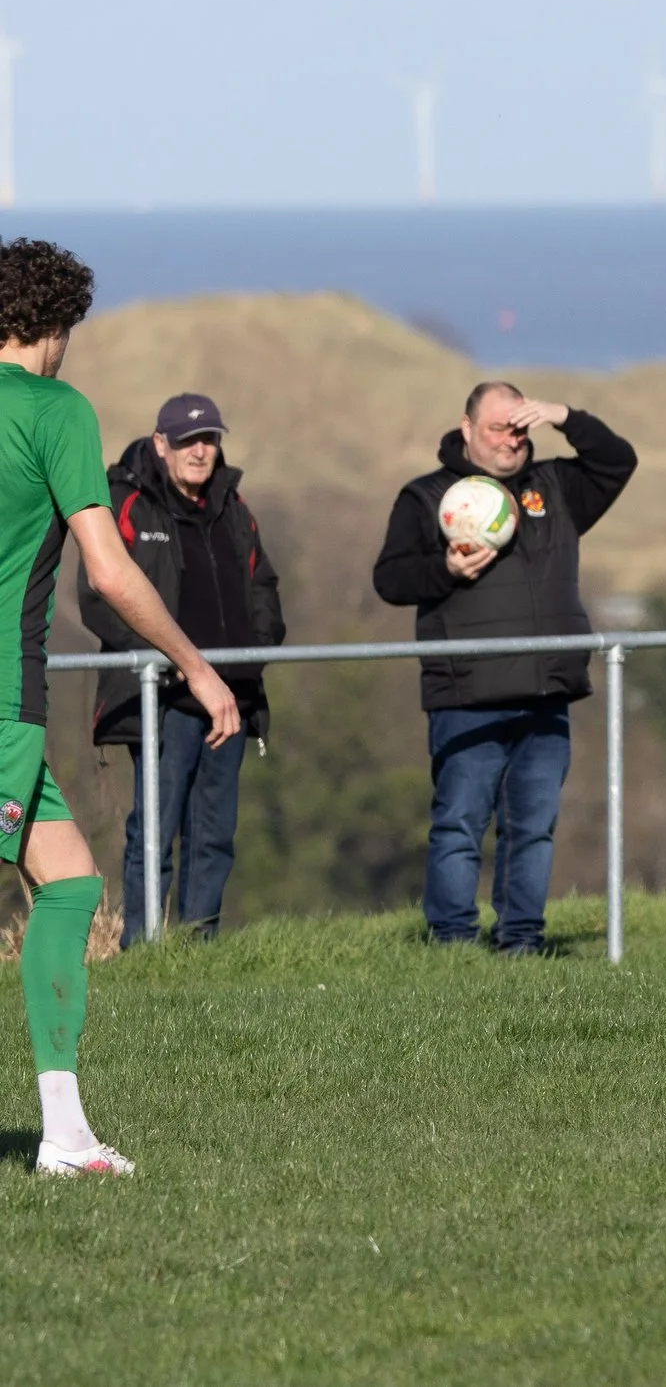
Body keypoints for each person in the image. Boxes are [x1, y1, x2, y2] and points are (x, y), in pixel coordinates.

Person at [0, 239, 242, 1176]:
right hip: (4, 700)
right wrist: (196, 665)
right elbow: (108, 569)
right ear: (56, 329)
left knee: (71, 885)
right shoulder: (55, 409)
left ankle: (63, 1136)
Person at [372, 382, 636, 955]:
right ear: (466, 429)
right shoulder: (426, 497)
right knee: (459, 826)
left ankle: (521, 941)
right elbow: (389, 579)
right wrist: (443, 570)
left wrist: (565, 416)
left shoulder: (556, 488)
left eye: (521, 427)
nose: (512, 439)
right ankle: (453, 944)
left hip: (547, 691)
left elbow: (618, 460)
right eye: (498, 427)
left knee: (533, 828)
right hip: (468, 694)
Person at [80, 392, 285, 946]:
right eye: (189, 440)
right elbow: (99, 598)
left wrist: (253, 655)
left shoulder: (234, 508)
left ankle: (199, 952)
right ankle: (144, 951)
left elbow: (263, 586)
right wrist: (167, 662)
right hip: (161, 697)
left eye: (210, 439)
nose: (201, 451)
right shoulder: (125, 502)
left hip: (232, 699)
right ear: (160, 444)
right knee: (154, 830)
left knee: (215, 834)